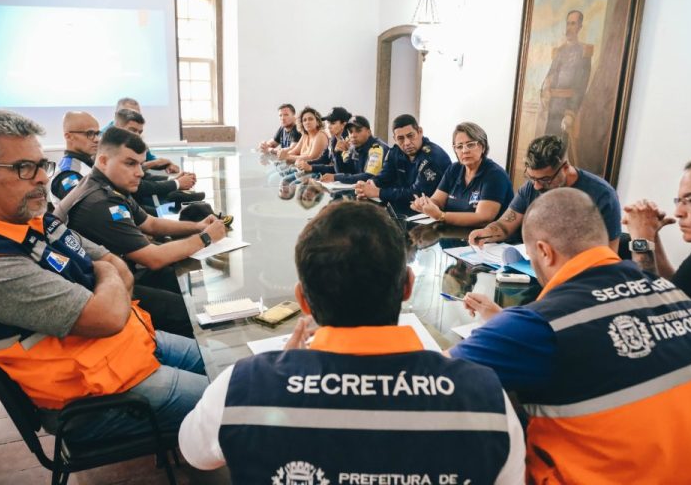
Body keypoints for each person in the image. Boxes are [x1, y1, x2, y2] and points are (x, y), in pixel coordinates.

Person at [179, 201, 525, 483]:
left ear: (303, 300)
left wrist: (280, 373)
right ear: (407, 286)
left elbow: (194, 451)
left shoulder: (243, 387)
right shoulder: (485, 399)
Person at [0, 109, 207, 443]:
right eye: (23, 168)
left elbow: (118, 270)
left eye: (40, 165)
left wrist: (109, 272)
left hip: (128, 347)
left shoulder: (32, 218)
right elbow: (107, 313)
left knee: (229, 362)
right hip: (97, 398)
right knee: (243, 398)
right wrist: (107, 271)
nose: (41, 179)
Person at [448, 188, 691, 484]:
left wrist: (507, 329)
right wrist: (504, 323)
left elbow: (432, 381)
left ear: (543, 251)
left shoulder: (541, 322)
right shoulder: (674, 294)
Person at [55, 127, 226, 275]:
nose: (140, 173)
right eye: (130, 164)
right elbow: (154, 258)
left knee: (179, 271)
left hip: (116, 276)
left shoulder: (108, 183)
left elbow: (150, 224)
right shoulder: (101, 202)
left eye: (140, 164)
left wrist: (199, 226)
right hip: (98, 290)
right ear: (104, 161)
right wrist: (205, 237)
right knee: (180, 300)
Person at [624, 155, 691, 363]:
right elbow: (674, 291)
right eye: (679, 201)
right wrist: (652, 236)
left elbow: (654, 315)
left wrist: (640, 240)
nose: (678, 212)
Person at [468, 134, 621, 251]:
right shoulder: (531, 187)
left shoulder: (603, 195)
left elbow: (609, 254)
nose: (536, 186)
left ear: (565, 168)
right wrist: (486, 233)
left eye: (545, 180)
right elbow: (504, 225)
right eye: (531, 178)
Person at [411, 122, 513, 226]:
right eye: (459, 147)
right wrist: (425, 204)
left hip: (485, 238)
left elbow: (483, 217)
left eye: (470, 145)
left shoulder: (495, 175)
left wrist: (441, 216)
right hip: (452, 235)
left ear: (483, 147)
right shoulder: (454, 169)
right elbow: (438, 201)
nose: (464, 150)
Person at [356, 114, 451, 213]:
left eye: (410, 136)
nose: (407, 143)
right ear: (395, 138)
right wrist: (370, 184)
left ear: (420, 132)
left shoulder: (432, 156)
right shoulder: (396, 152)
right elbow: (385, 176)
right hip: (404, 211)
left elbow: (417, 194)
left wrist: (379, 193)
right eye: (400, 138)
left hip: (430, 215)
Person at [540, 9, 592, 161]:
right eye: (568, 23)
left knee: (560, 153)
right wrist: (545, 90)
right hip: (553, 106)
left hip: (567, 107)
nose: (569, 27)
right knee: (546, 150)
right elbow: (550, 75)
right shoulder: (559, 51)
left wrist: (570, 113)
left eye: (573, 23)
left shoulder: (584, 51)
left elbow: (581, 86)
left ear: (580, 26)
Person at [104, 97, 178, 173]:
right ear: (117, 114)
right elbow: (123, 169)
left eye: (136, 114)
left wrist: (167, 164)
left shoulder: (136, 134)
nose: (134, 117)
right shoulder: (103, 137)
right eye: (128, 113)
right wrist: (154, 163)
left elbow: (149, 158)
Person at [319, 115, 387, 183]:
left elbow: (369, 177)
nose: (353, 135)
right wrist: (337, 154)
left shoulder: (377, 148)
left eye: (358, 131)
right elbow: (345, 171)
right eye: (350, 132)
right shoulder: (354, 147)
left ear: (369, 132)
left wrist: (336, 177)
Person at [50, 111, 101, 201]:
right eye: (90, 134)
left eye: (97, 134)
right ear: (69, 136)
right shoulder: (67, 174)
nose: (97, 139)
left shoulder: (89, 163)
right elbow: (90, 206)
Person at [295, 106, 351, 177]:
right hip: (334, 178)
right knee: (295, 178)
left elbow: (342, 170)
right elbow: (324, 159)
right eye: (328, 123)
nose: (328, 126)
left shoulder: (348, 141)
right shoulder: (333, 139)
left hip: (344, 181)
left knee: (299, 182)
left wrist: (311, 167)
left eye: (333, 123)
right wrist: (305, 163)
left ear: (343, 124)